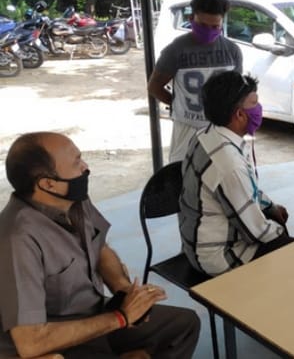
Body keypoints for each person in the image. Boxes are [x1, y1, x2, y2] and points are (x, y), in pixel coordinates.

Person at [0, 132, 200, 358]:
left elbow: (100, 249)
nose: (85, 167)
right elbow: (31, 342)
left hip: (94, 313)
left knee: (183, 326)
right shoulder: (18, 239)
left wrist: (123, 290)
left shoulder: (72, 200)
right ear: (48, 184)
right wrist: (120, 318)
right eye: (76, 162)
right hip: (58, 340)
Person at [179, 71, 294, 276]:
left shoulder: (206, 134)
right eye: (255, 103)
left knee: (278, 226)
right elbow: (256, 231)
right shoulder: (228, 164)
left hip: (197, 243)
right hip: (221, 256)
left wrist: (269, 206)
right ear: (240, 115)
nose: (259, 108)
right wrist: (283, 234)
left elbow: (246, 190)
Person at [148, 0, 243, 163]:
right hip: (186, 127)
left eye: (215, 27)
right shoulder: (176, 50)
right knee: (182, 171)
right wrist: (177, 104)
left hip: (220, 127)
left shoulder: (232, 51)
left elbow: (236, 94)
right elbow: (154, 87)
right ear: (191, 19)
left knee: (220, 171)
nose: (209, 31)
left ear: (222, 22)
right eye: (203, 26)